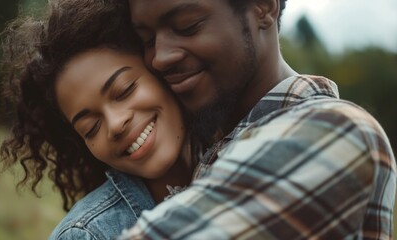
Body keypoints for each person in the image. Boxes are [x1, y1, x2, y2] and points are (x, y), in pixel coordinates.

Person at [119, 0, 396, 239]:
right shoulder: (203, 143)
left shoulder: (335, 130)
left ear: (264, 7)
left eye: (187, 25)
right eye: (147, 41)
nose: (159, 58)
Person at [0, 0, 195, 239]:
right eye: (90, 128)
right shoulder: (87, 235)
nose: (115, 124)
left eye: (124, 90)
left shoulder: (245, 146)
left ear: (158, 66)